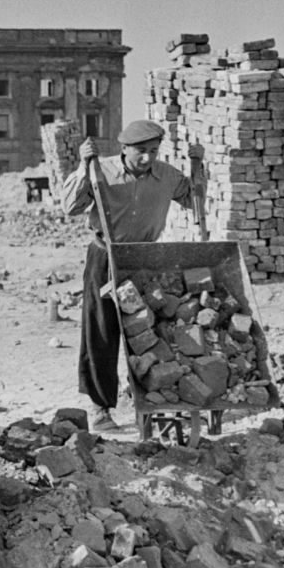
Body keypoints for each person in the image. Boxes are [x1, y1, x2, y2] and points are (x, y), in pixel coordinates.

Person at [61, 119, 205, 432]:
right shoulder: (101, 170)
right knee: (101, 330)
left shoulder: (167, 176)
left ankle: (147, 400)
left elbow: (195, 201)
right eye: (141, 151)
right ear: (124, 148)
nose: (147, 158)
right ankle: (100, 407)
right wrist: (83, 167)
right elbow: (70, 207)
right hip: (105, 256)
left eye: (153, 151)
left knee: (146, 332)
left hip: (144, 260)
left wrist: (198, 166)